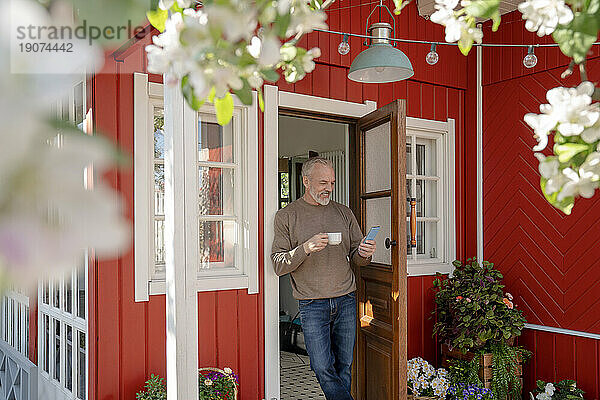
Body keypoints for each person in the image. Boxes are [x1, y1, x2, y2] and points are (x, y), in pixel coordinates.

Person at [271, 157, 376, 400]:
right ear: (306, 181)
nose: (329, 187)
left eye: (331, 182)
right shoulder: (287, 216)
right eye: (322, 182)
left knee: (344, 367)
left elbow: (356, 257)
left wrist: (364, 254)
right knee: (321, 366)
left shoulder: (343, 212)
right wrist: (305, 247)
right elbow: (278, 264)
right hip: (312, 304)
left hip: (346, 299)